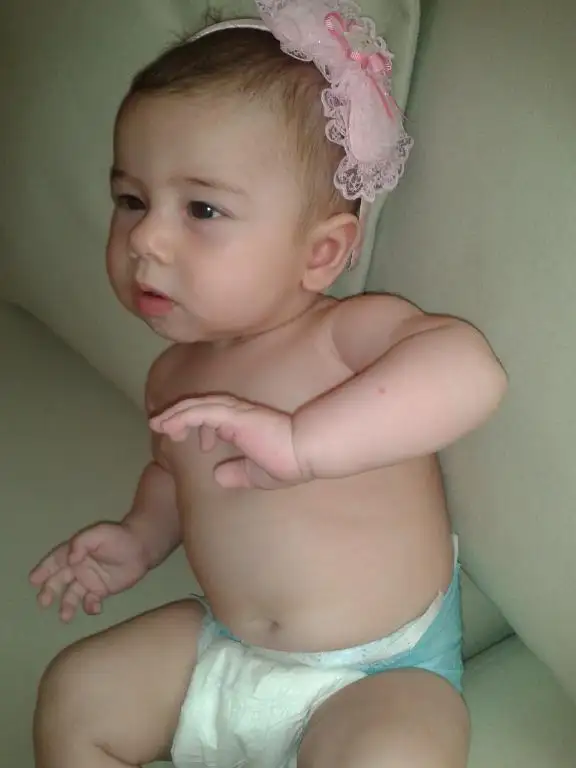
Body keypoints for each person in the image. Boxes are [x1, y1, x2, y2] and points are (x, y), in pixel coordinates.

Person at [29, 2, 507, 766]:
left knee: (394, 757)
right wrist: (139, 536)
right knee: (76, 692)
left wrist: (304, 443)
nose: (145, 238)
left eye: (202, 208)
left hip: (380, 676)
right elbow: (176, 476)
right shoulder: (170, 376)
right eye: (131, 200)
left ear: (322, 253)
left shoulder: (343, 337)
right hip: (225, 646)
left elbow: (471, 371)